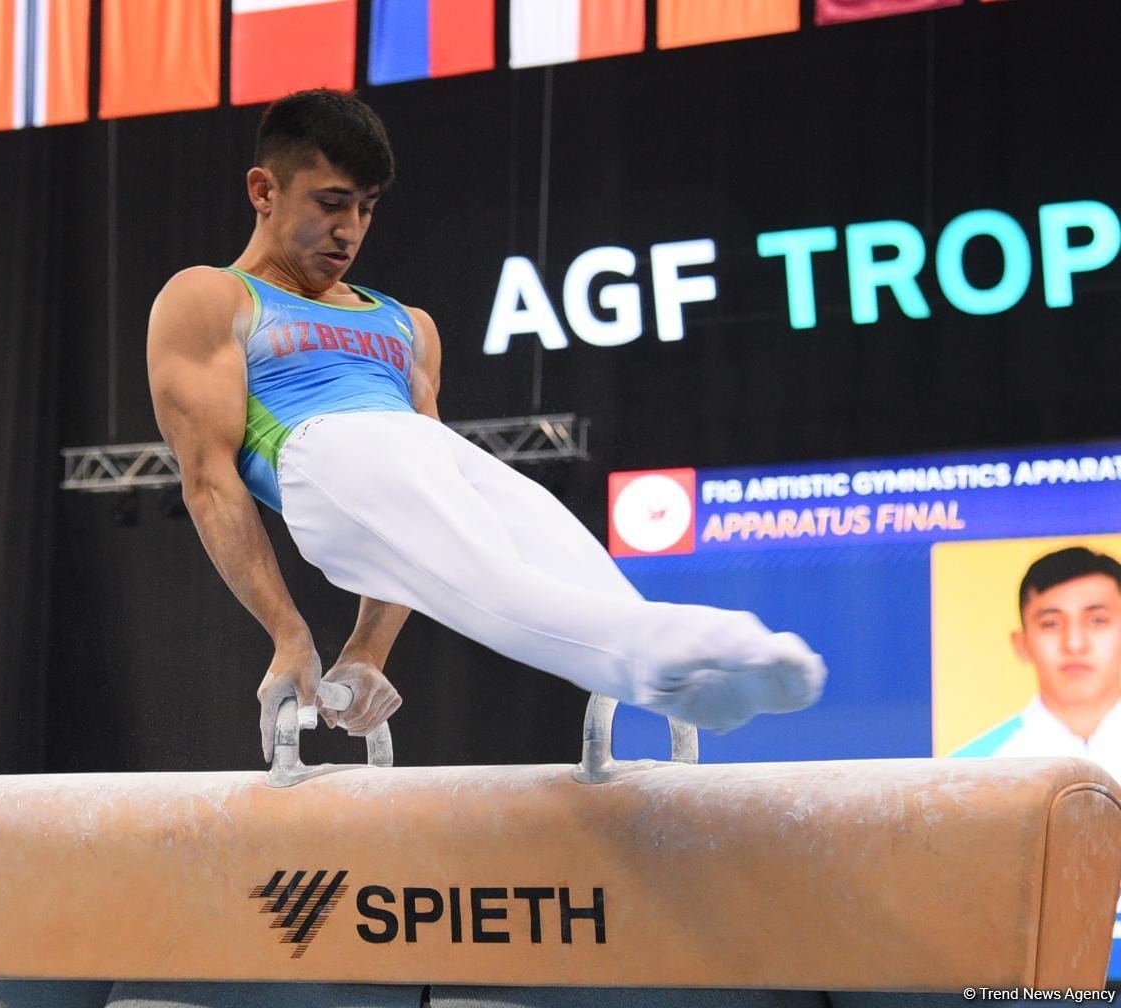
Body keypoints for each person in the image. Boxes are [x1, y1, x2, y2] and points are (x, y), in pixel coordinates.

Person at [145, 89, 826, 764]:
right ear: (264, 190)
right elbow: (209, 482)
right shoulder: (212, 297)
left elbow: (422, 514)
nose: (350, 228)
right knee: (496, 587)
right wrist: (287, 632)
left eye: (366, 207)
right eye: (330, 203)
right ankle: (673, 663)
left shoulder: (408, 325)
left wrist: (367, 651)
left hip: (420, 453)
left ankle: (696, 667)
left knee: (564, 558)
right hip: (318, 452)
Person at [952, 546, 1121, 776]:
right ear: (1022, 644)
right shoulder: (967, 774)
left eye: (1097, 620)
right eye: (1051, 623)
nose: (1074, 644)